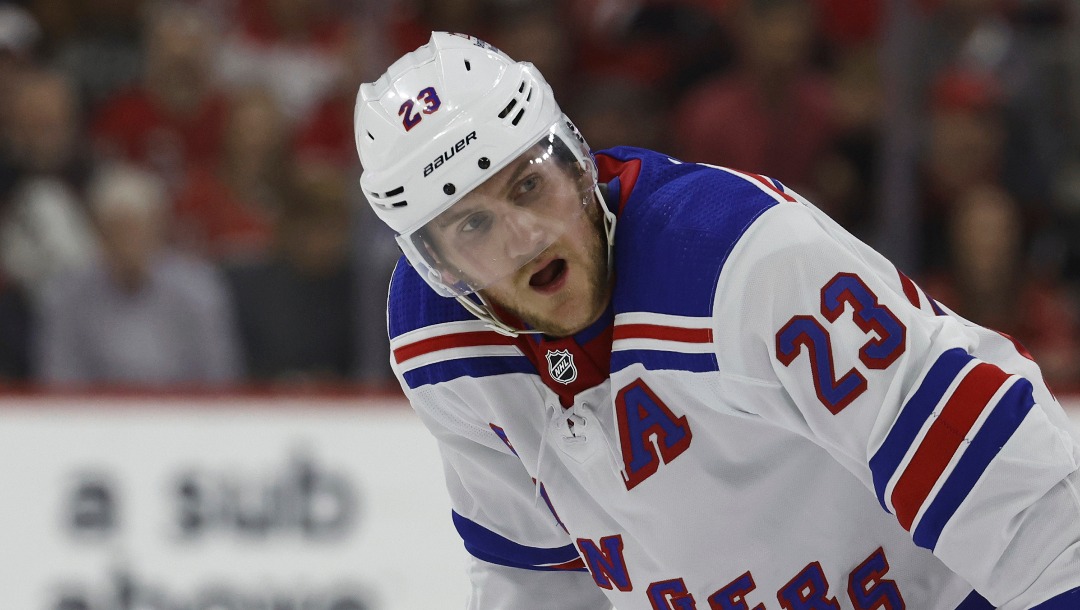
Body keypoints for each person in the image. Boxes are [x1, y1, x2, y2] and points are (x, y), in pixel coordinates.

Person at [354, 32, 1080, 609]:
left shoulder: (737, 256)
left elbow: (1014, 488)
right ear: (436, 267)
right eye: (473, 225)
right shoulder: (437, 341)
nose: (525, 236)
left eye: (529, 186)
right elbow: (535, 577)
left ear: (577, 163)